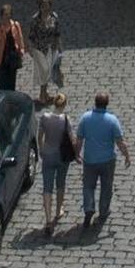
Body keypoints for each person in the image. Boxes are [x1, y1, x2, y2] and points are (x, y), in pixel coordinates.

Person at [76, 90, 131, 229]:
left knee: (88, 186)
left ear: (95, 103)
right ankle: (103, 211)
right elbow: (119, 141)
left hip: (90, 160)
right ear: (106, 104)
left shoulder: (85, 118)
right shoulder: (112, 120)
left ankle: (88, 207)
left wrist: (77, 154)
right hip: (107, 160)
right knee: (106, 187)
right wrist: (127, 155)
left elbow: (79, 139)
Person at [36, 89, 77, 232]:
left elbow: (39, 136)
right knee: (60, 183)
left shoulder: (44, 117)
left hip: (48, 154)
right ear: (64, 105)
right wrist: (77, 154)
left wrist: (41, 149)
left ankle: (47, 219)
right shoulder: (66, 120)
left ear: (54, 103)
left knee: (47, 187)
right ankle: (59, 210)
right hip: (62, 156)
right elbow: (72, 139)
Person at [0, 3, 26, 91]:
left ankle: (11, 101)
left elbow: (20, 38)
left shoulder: (15, 25)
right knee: (2, 84)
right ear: (1, 15)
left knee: (11, 83)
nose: (7, 16)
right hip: (1, 59)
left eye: (9, 14)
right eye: (5, 14)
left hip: (12, 58)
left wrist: (21, 49)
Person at [27, 0, 62, 94]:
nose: (45, 8)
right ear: (40, 7)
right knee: (44, 72)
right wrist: (30, 48)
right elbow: (31, 35)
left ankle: (44, 93)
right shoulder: (35, 19)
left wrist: (60, 47)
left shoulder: (54, 17)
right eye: (43, 6)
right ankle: (42, 94)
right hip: (39, 49)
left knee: (48, 72)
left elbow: (57, 33)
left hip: (51, 48)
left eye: (47, 6)